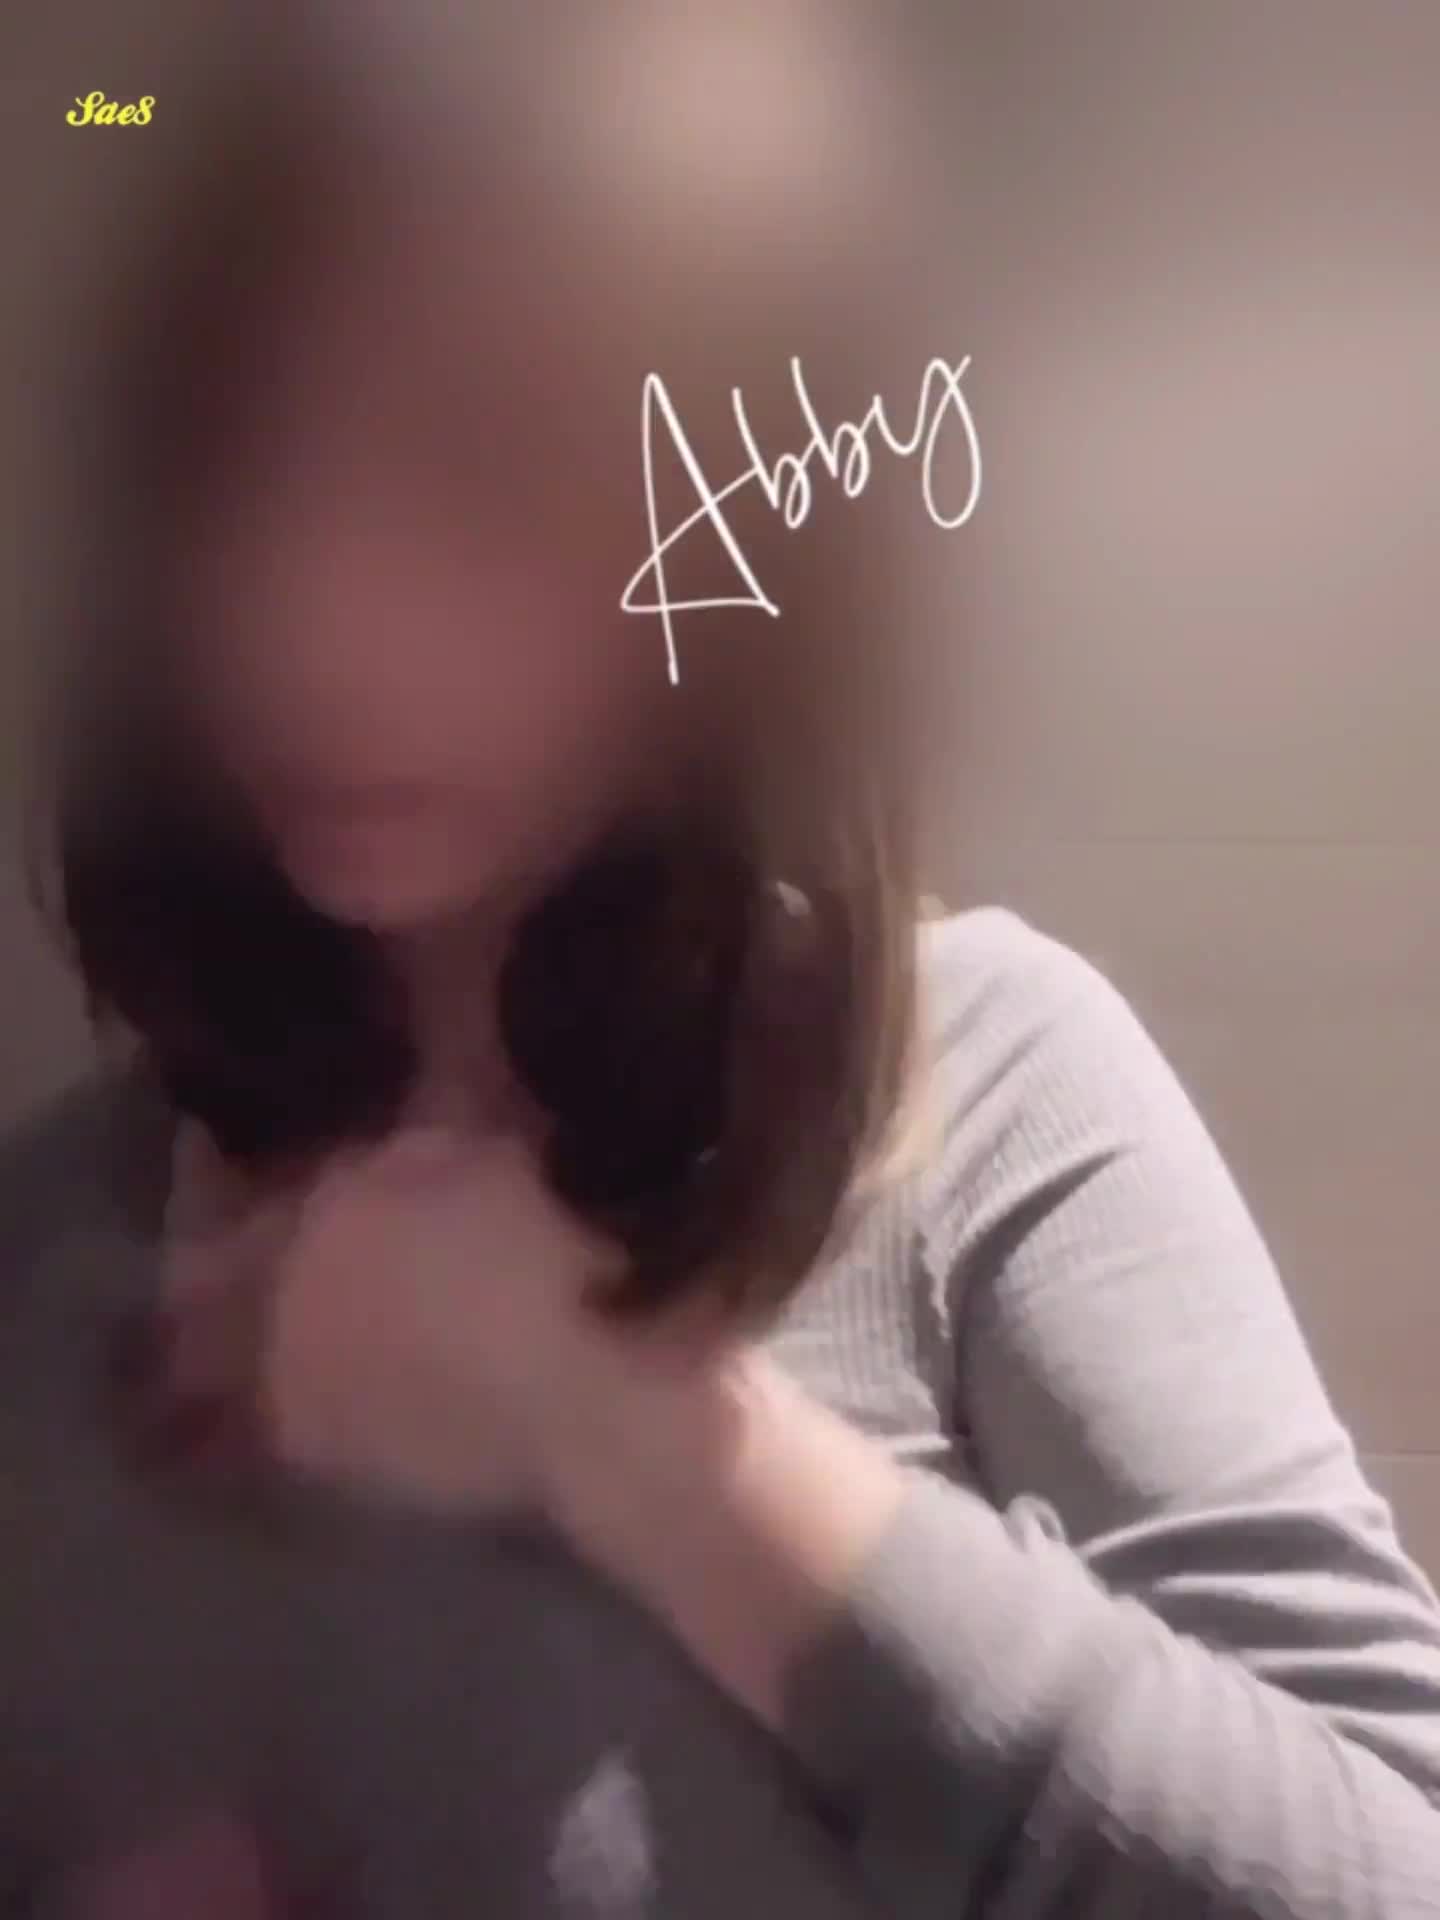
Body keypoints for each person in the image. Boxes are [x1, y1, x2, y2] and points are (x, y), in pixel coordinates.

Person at [6, 10, 1440, 1916]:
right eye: (236, 471)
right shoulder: (48, 1241)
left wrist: (641, 1442)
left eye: (482, 478)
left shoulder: (992, 1092)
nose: (305, 628)